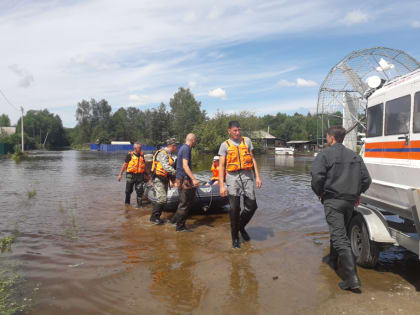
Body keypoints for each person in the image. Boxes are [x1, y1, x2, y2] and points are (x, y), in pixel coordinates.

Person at [311, 125, 371, 291]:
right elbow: (367, 180)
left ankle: (352, 279)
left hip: (333, 201)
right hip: (350, 202)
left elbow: (316, 177)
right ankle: (332, 259)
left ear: (331, 138)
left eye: (327, 137)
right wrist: (357, 194)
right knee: (340, 231)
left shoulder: (324, 155)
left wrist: (320, 193)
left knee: (339, 238)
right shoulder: (355, 156)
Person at [218, 121, 262, 248]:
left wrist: (257, 176)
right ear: (229, 131)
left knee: (252, 206)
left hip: (247, 176)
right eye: (235, 130)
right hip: (232, 178)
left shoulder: (247, 141)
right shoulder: (224, 145)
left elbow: (252, 159)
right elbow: (221, 166)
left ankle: (240, 227)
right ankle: (235, 238)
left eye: (239, 130)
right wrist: (222, 185)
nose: (237, 133)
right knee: (234, 209)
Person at [171, 133, 199, 232]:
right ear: (192, 140)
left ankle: (174, 221)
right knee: (185, 203)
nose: (195, 142)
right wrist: (194, 179)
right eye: (195, 140)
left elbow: (177, 165)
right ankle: (180, 227)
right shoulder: (186, 149)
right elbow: (185, 166)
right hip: (184, 180)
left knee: (185, 202)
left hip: (180, 178)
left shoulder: (182, 148)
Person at [149, 138, 178, 225]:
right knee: (161, 199)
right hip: (158, 178)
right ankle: (154, 218)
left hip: (164, 179)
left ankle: (156, 217)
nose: (177, 148)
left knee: (163, 199)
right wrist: (177, 173)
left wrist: (173, 180)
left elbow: (169, 169)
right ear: (172, 146)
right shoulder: (163, 153)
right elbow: (166, 166)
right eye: (176, 146)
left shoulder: (170, 155)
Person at [118, 142, 149, 208]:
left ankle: (140, 207)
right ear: (135, 148)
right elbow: (125, 165)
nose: (141, 149)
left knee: (140, 192)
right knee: (128, 191)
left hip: (140, 176)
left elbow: (144, 166)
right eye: (139, 148)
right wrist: (120, 174)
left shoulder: (142, 155)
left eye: (141, 148)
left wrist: (148, 176)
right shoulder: (129, 155)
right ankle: (127, 206)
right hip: (131, 175)